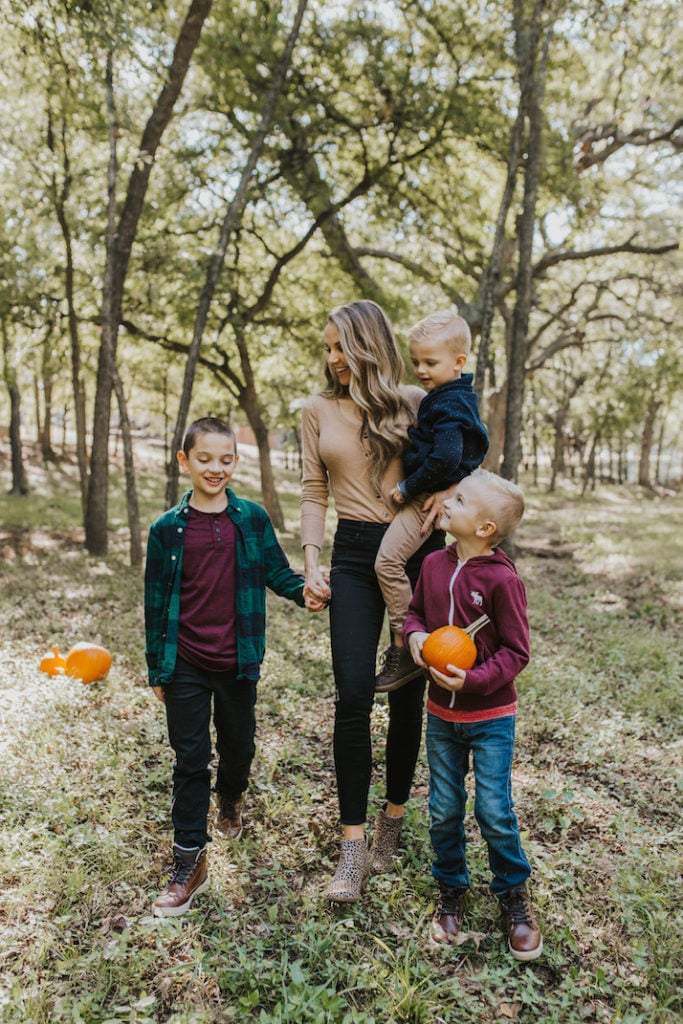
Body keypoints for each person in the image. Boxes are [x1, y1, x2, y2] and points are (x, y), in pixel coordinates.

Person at [145, 416, 323, 918]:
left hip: (237, 659)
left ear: (236, 462)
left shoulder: (252, 519)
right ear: (184, 461)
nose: (215, 468)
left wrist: (307, 592)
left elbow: (276, 573)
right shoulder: (166, 529)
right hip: (184, 661)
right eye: (204, 459)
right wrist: (157, 668)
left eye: (225, 460)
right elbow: (154, 602)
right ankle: (189, 861)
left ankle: (231, 796)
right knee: (190, 758)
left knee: (238, 746)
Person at [300, 299, 445, 903]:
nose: (334, 358)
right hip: (356, 554)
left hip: (416, 550)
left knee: (408, 691)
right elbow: (313, 489)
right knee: (354, 691)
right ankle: (353, 846)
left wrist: (454, 490)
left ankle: (393, 817)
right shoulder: (316, 410)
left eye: (342, 346)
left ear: (369, 345)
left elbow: (458, 452)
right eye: (328, 348)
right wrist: (312, 562)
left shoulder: (415, 401)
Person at [403, 468, 543, 960]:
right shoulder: (433, 566)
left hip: (490, 717)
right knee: (443, 809)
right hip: (441, 716)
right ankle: (451, 890)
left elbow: (517, 652)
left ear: (485, 528)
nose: (447, 503)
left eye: (460, 501)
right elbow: (416, 614)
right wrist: (415, 636)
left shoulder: (503, 580)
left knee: (493, 810)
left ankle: (513, 896)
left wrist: (475, 680)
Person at [374, 309, 489, 693]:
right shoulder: (452, 396)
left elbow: (446, 457)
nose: (421, 370)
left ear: (459, 361)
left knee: (388, 562)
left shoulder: (448, 405)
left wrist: (408, 487)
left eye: (430, 362)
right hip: (432, 494)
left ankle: (406, 640)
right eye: (416, 361)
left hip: (423, 499)